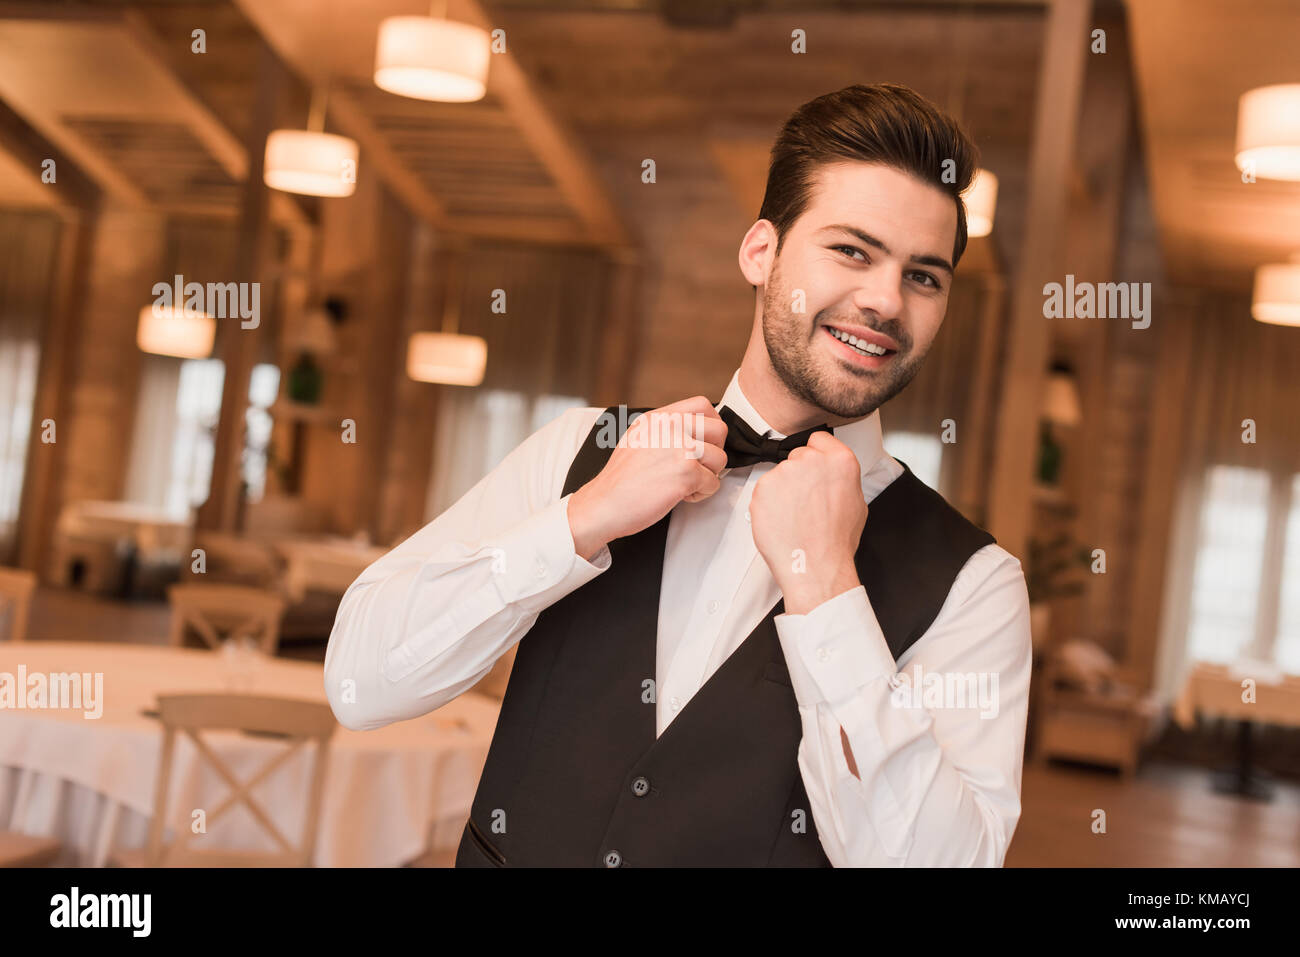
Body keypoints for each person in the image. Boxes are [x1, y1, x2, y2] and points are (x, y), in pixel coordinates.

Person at [324, 83, 1032, 867]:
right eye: (852, 251)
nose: (883, 300)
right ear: (760, 252)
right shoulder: (579, 451)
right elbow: (359, 686)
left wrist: (829, 589)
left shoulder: (977, 584)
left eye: (924, 276)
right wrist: (581, 521)